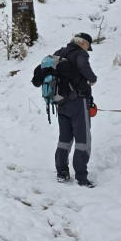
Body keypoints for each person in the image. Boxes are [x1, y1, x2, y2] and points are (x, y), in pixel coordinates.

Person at [52, 33, 98, 188]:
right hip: (78, 102)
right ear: (83, 43)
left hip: (61, 102)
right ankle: (81, 177)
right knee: (82, 140)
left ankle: (62, 173)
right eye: (88, 46)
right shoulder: (80, 53)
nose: (87, 49)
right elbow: (84, 67)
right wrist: (92, 79)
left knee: (64, 139)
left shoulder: (60, 52)